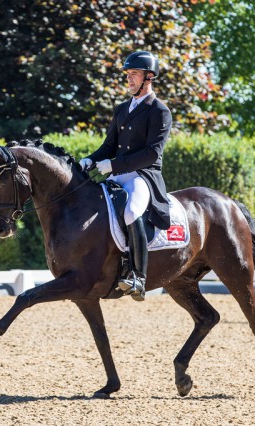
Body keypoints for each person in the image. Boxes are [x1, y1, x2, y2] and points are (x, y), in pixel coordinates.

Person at [79, 51, 173, 301]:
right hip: (117, 172)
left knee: (131, 211)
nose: (129, 79)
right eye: (128, 74)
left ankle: (137, 277)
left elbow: (152, 154)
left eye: (134, 74)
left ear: (149, 77)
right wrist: (91, 159)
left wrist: (112, 165)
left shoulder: (159, 111)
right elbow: (108, 146)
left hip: (143, 175)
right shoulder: (122, 109)